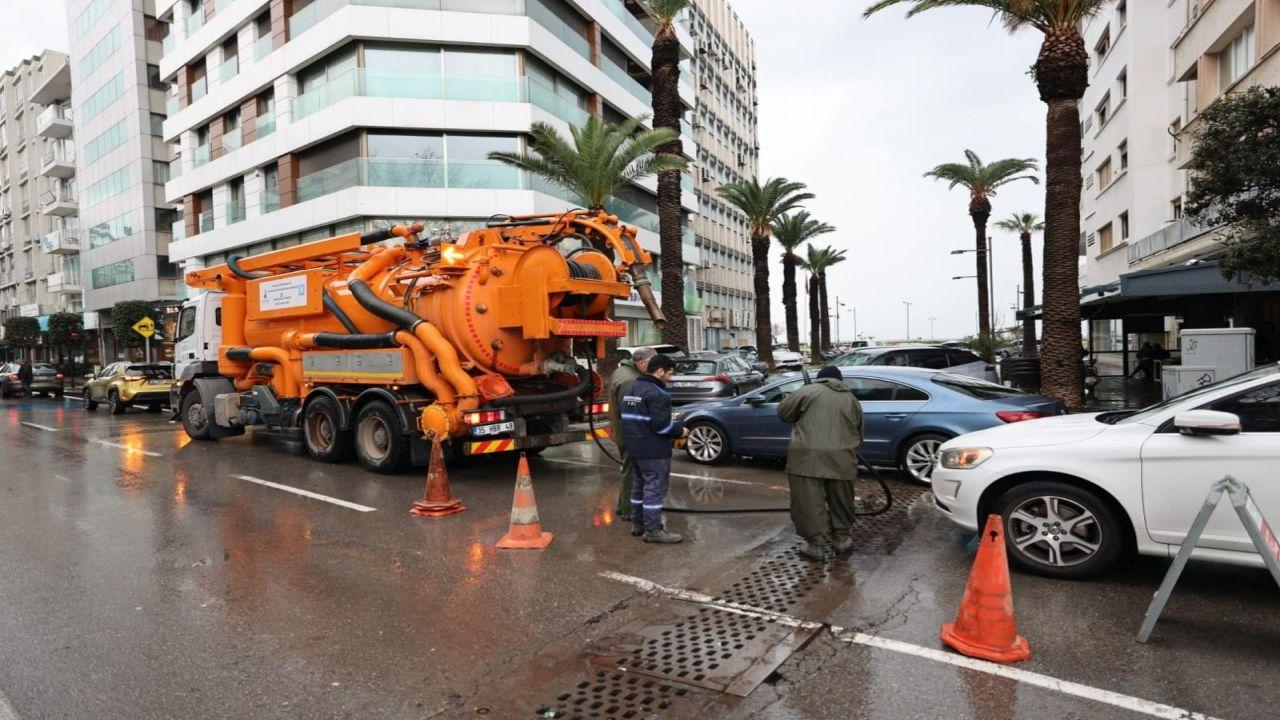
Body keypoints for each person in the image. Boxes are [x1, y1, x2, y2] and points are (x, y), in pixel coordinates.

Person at [778, 365, 865, 561]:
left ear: (820, 378)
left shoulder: (807, 391)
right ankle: (842, 540)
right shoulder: (851, 398)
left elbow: (783, 413)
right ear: (839, 380)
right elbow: (860, 430)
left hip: (807, 457)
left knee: (808, 501)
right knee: (842, 499)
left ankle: (815, 545)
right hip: (842, 456)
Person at [620, 354, 687, 544]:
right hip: (653, 450)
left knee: (639, 486)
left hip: (634, 447)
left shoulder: (630, 388)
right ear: (659, 371)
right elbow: (662, 427)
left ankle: (638, 524)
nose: (670, 378)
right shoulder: (658, 394)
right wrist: (681, 430)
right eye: (669, 374)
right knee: (655, 489)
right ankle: (653, 531)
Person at [609, 346, 656, 522]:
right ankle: (630, 510)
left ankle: (623, 507)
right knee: (632, 471)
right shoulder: (630, 380)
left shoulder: (622, 371)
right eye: (652, 364)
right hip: (629, 433)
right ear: (641, 362)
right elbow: (630, 411)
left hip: (622, 430)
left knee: (628, 468)